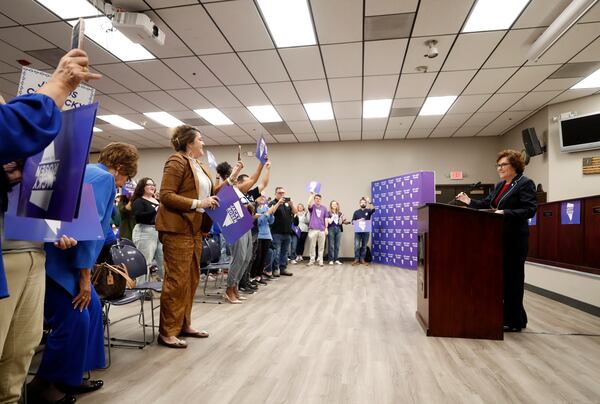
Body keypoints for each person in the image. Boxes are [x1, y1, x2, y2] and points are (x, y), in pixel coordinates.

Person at [0, 48, 101, 403]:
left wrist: (57, 233)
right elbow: (11, 130)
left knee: (19, 356)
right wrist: (60, 82)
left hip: (32, 256)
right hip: (6, 257)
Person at [29, 142, 138, 403]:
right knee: (75, 317)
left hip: (56, 255)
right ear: (120, 168)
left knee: (92, 309)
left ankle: (73, 376)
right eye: (126, 177)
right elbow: (90, 231)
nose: (124, 182)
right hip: (65, 263)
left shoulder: (85, 170)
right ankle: (44, 386)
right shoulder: (104, 178)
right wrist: (86, 279)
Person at [155, 125, 238, 348]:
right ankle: (167, 331)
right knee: (176, 281)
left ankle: (184, 324)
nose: (203, 143)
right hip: (177, 230)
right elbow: (166, 195)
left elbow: (210, 195)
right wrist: (198, 204)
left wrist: (231, 179)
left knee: (191, 280)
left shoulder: (198, 165)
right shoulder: (176, 161)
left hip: (195, 230)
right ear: (188, 143)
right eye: (199, 139)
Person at [456, 149, 536, 332]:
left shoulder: (525, 183)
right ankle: (517, 318)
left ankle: (514, 321)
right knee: (503, 280)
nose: (499, 168)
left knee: (513, 279)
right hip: (498, 238)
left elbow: (530, 209)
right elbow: (487, 203)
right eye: (498, 165)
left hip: (515, 239)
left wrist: (506, 212)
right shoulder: (501, 185)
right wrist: (469, 201)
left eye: (503, 164)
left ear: (515, 165)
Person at [216, 160, 269, 303]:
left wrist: (261, 164)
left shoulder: (238, 190)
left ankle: (235, 287)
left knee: (246, 257)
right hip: (234, 225)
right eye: (233, 172)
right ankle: (229, 290)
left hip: (245, 224)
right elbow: (221, 198)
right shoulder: (224, 189)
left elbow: (253, 179)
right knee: (238, 258)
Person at [131, 177, 164, 281]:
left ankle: (166, 287)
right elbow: (139, 217)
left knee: (163, 261)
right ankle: (142, 290)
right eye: (149, 184)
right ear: (142, 187)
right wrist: (155, 210)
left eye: (153, 184)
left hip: (159, 232)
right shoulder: (138, 201)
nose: (152, 186)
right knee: (145, 262)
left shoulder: (157, 201)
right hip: (144, 231)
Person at [269, 187, 297, 276]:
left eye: (283, 193)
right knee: (276, 252)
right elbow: (271, 212)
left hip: (287, 232)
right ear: (275, 194)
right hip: (276, 232)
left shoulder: (287, 204)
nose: (282, 194)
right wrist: (278, 203)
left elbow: (295, 212)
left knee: (285, 252)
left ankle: (283, 268)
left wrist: (292, 204)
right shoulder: (272, 203)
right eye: (280, 193)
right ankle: (275, 269)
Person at [351, 197, 376, 265]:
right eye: (362, 202)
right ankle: (356, 259)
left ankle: (362, 259)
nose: (363, 203)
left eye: (364, 202)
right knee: (356, 245)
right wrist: (358, 220)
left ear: (366, 203)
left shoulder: (368, 211)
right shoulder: (356, 212)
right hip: (358, 232)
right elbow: (352, 222)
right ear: (359, 203)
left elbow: (375, 209)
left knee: (364, 246)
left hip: (366, 231)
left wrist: (369, 201)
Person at [306, 193, 328, 267]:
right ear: (314, 200)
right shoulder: (313, 207)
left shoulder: (324, 208)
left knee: (321, 247)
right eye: (316, 198)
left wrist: (326, 228)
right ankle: (312, 260)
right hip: (313, 229)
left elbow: (326, 218)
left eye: (319, 199)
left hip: (321, 229)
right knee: (312, 246)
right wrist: (311, 195)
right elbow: (308, 203)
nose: (318, 200)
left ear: (320, 200)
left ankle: (320, 260)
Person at [327, 200, 347, 265]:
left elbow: (340, 223)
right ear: (331, 205)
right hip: (331, 229)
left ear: (337, 205)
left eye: (335, 204)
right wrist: (333, 216)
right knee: (331, 245)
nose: (334, 205)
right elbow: (329, 222)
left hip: (338, 229)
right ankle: (331, 259)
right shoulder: (328, 213)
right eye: (333, 204)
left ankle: (336, 259)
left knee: (337, 245)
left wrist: (341, 218)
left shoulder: (340, 213)